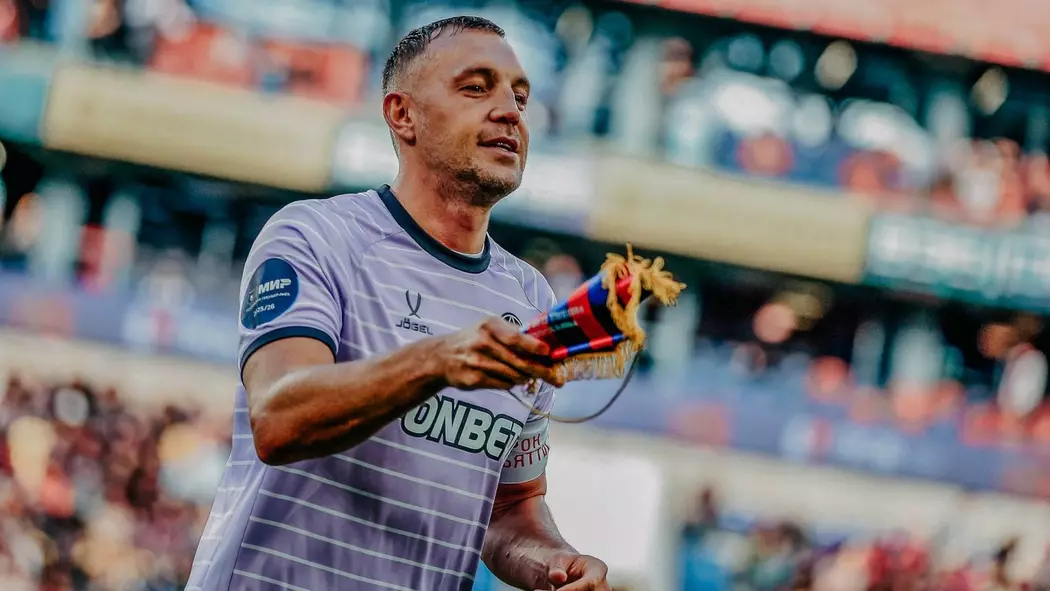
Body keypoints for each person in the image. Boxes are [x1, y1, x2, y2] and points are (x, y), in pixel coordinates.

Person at [186, 15, 610, 591]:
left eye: (520, 97)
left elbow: (509, 509)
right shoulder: (315, 236)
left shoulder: (531, 298)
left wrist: (555, 564)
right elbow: (278, 417)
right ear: (402, 114)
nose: (510, 111)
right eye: (476, 87)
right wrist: (435, 362)